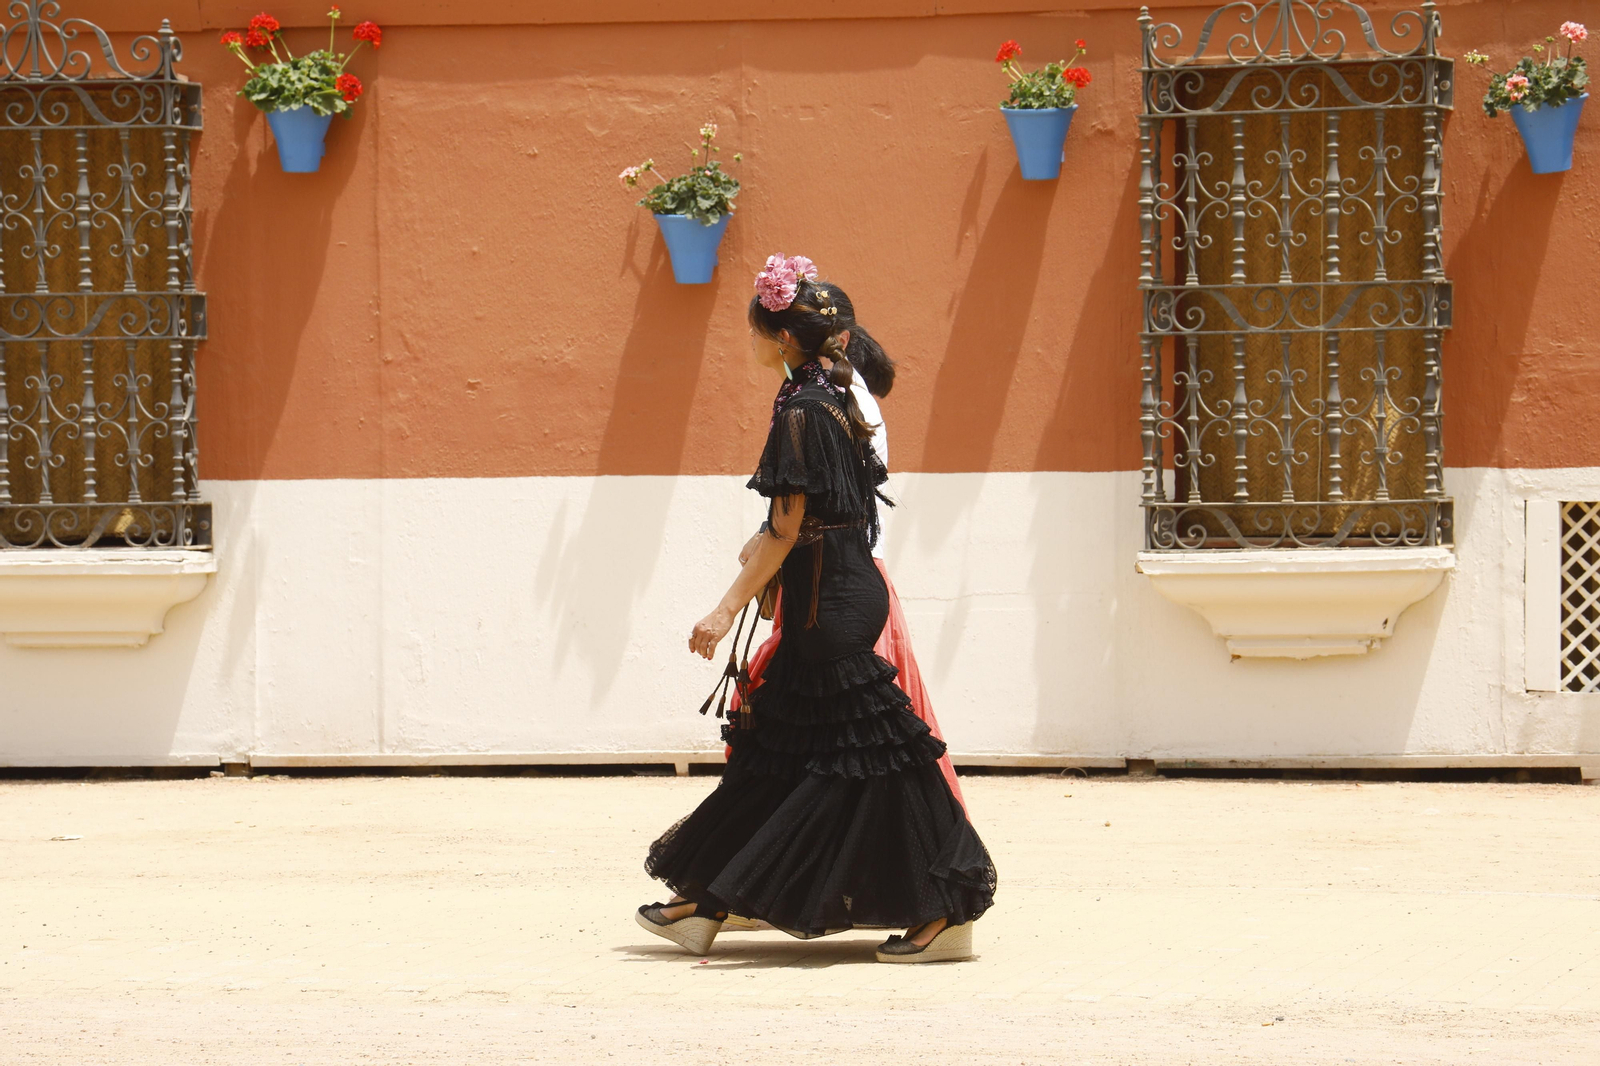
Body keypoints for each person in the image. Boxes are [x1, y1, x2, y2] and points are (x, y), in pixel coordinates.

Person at [637, 255, 995, 964]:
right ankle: (708, 898)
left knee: (891, 762)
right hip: (829, 594)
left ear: (779, 338)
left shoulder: (803, 409)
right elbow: (819, 513)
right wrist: (763, 552)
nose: (748, 343)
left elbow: (787, 527)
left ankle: (949, 910)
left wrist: (721, 610)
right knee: (774, 752)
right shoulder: (831, 397)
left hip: (832, 606)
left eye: (753, 331)